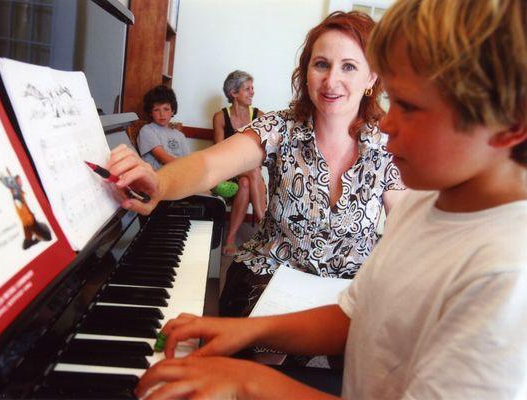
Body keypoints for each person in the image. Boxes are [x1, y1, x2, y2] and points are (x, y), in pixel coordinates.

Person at [129, 0, 527, 398]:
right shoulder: (425, 211)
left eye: (408, 105)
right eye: (321, 64)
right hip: (280, 281)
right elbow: (360, 317)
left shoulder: (506, 271)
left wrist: (245, 383)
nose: (386, 124)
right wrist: (242, 331)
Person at [109, 11, 405, 320]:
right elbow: (209, 165)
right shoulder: (278, 127)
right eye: (321, 64)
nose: (332, 80)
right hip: (273, 276)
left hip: (351, 290)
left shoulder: (389, 143)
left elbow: (406, 224)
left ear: (371, 76)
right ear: (306, 72)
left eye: (349, 67)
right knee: (261, 356)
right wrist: (160, 184)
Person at [212, 70, 266, 256]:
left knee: (245, 183)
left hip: (250, 174)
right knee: (251, 172)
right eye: (247, 89)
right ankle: (263, 223)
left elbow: (265, 150)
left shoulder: (259, 115)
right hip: (227, 171)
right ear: (234, 93)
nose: (252, 92)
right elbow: (220, 154)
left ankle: (230, 239)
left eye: (252, 88)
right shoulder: (220, 117)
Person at [137, 85, 190, 171]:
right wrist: (185, 169)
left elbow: (188, 159)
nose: (162, 114)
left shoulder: (179, 135)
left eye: (166, 109)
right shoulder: (147, 130)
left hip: (179, 174)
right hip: (159, 176)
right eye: (156, 110)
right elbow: (163, 158)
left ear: (172, 111)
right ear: (150, 112)